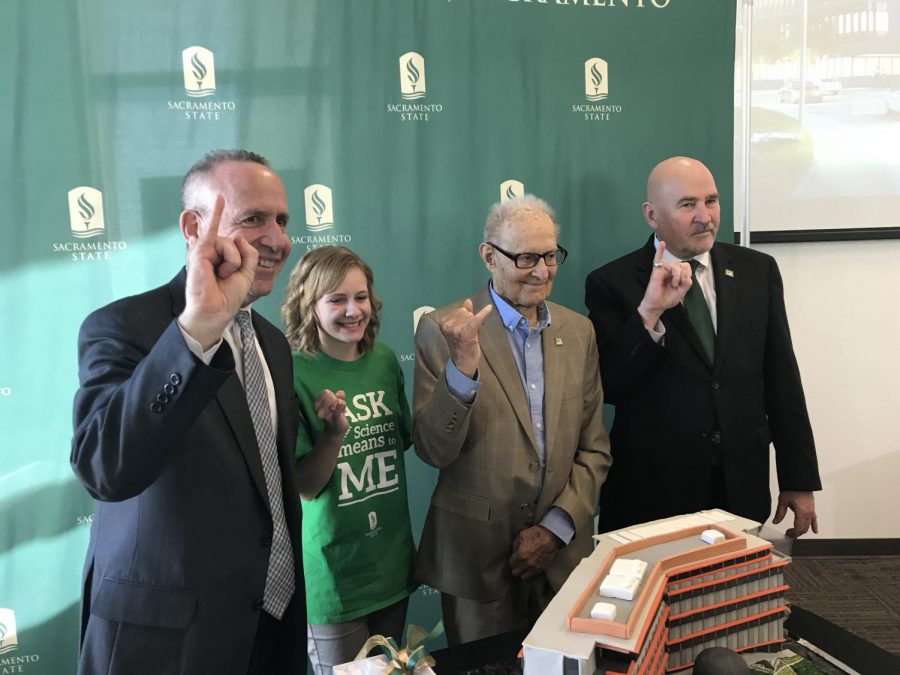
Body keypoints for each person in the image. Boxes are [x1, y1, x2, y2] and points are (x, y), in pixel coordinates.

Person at [70, 149, 306, 674]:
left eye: (282, 220)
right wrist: (196, 332)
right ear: (194, 226)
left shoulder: (273, 343)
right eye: (253, 219)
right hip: (165, 645)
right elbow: (104, 468)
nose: (277, 239)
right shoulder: (122, 326)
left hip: (271, 630)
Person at [584, 156, 821, 537]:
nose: (704, 216)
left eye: (711, 201)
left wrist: (798, 477)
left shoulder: (757, 270)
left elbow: (781, 379)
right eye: (687, 204)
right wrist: (650, 313)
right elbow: (610, 385)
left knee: (735, 592)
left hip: (739, 481)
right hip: (653, 490)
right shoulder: (612, 282)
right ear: (651, 215)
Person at [413, 195, 612, 645]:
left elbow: (594, 448)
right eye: (525, 257)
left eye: (549, 255)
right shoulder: (443, 328)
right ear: (489, 256)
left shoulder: (578, 331)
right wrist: (462, 368)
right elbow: (432, 450)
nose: (541, 271)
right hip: (475, 560)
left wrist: (556, 527)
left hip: (561, 555)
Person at [281, 246, 416, 674]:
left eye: (360, 297)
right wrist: (334, 436)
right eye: (336, 300)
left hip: (392, 567)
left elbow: (403, 441)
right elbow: (305, 486)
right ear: (309, 305)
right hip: (333, 578)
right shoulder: (292, 372)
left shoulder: (385, 361)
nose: (353, 310)